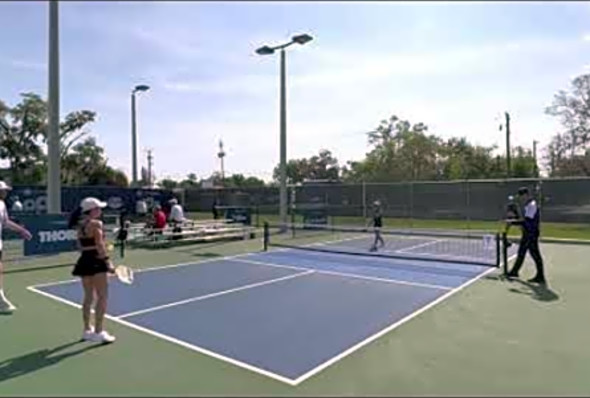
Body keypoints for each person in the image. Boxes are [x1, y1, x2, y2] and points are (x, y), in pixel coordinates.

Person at [68, 197, 116, 343]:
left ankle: (86, 330)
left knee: (88, 297)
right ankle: (99, 332)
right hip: (96, 261)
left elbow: (80, 247)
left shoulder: (80, 226)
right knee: (102, 297)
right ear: (92, 210)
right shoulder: (97, 224)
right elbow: (100, 245)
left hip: (84, 261)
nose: (100, 211)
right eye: (98, 208)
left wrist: (94, 248)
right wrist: (108, 263)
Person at [0, 181, 32, 314]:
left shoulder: (2, 205)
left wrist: (21, 230)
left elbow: (5, 222)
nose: (6, 192)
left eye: (6, 190)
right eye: (4, 190)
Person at [506, 187, 547, 284]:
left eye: (521, 196)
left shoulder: (532, 205)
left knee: (535, 254)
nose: (520, 198)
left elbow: (527, 221)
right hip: (527, 233)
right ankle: (514, 272)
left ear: (526, 195)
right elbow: (525, 221)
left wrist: (512, 222)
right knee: (521, 252)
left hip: (531, 233)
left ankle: (540, 276)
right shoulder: (528, 205)